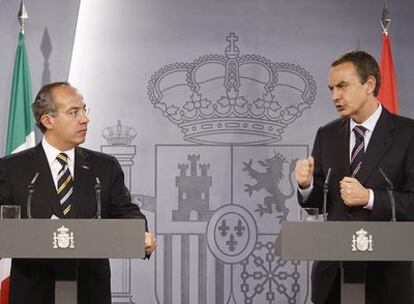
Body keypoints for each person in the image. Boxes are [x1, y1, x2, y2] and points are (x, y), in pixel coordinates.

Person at [0, 81, 156, 304]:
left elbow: (126, 212)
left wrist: (141, 233)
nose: (85, 118)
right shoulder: (11, 169)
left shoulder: (105, 166)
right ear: (48, 120)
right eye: (74, 112)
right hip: (33, 293)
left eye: (84, 109)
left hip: (90, 293)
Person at [295, 50, 414, 304]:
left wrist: (369, 197)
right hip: (333, 280)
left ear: (369, 84)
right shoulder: (326, 135)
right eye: (331, 89)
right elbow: (321, 202)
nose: (335, 96)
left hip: (387, 279)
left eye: (342, 86)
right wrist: (306, 187)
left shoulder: (408, 134)